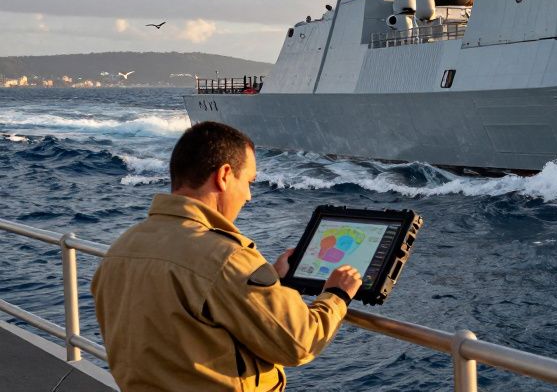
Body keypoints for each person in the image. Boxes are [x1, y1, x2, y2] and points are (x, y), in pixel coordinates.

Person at [92, 121, 361, 391]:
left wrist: (277, 282)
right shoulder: (225, 256)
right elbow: (299, 342)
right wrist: (336, 295)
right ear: (223, 175)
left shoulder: (121, 248)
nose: (249, 196)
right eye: (248, 182)